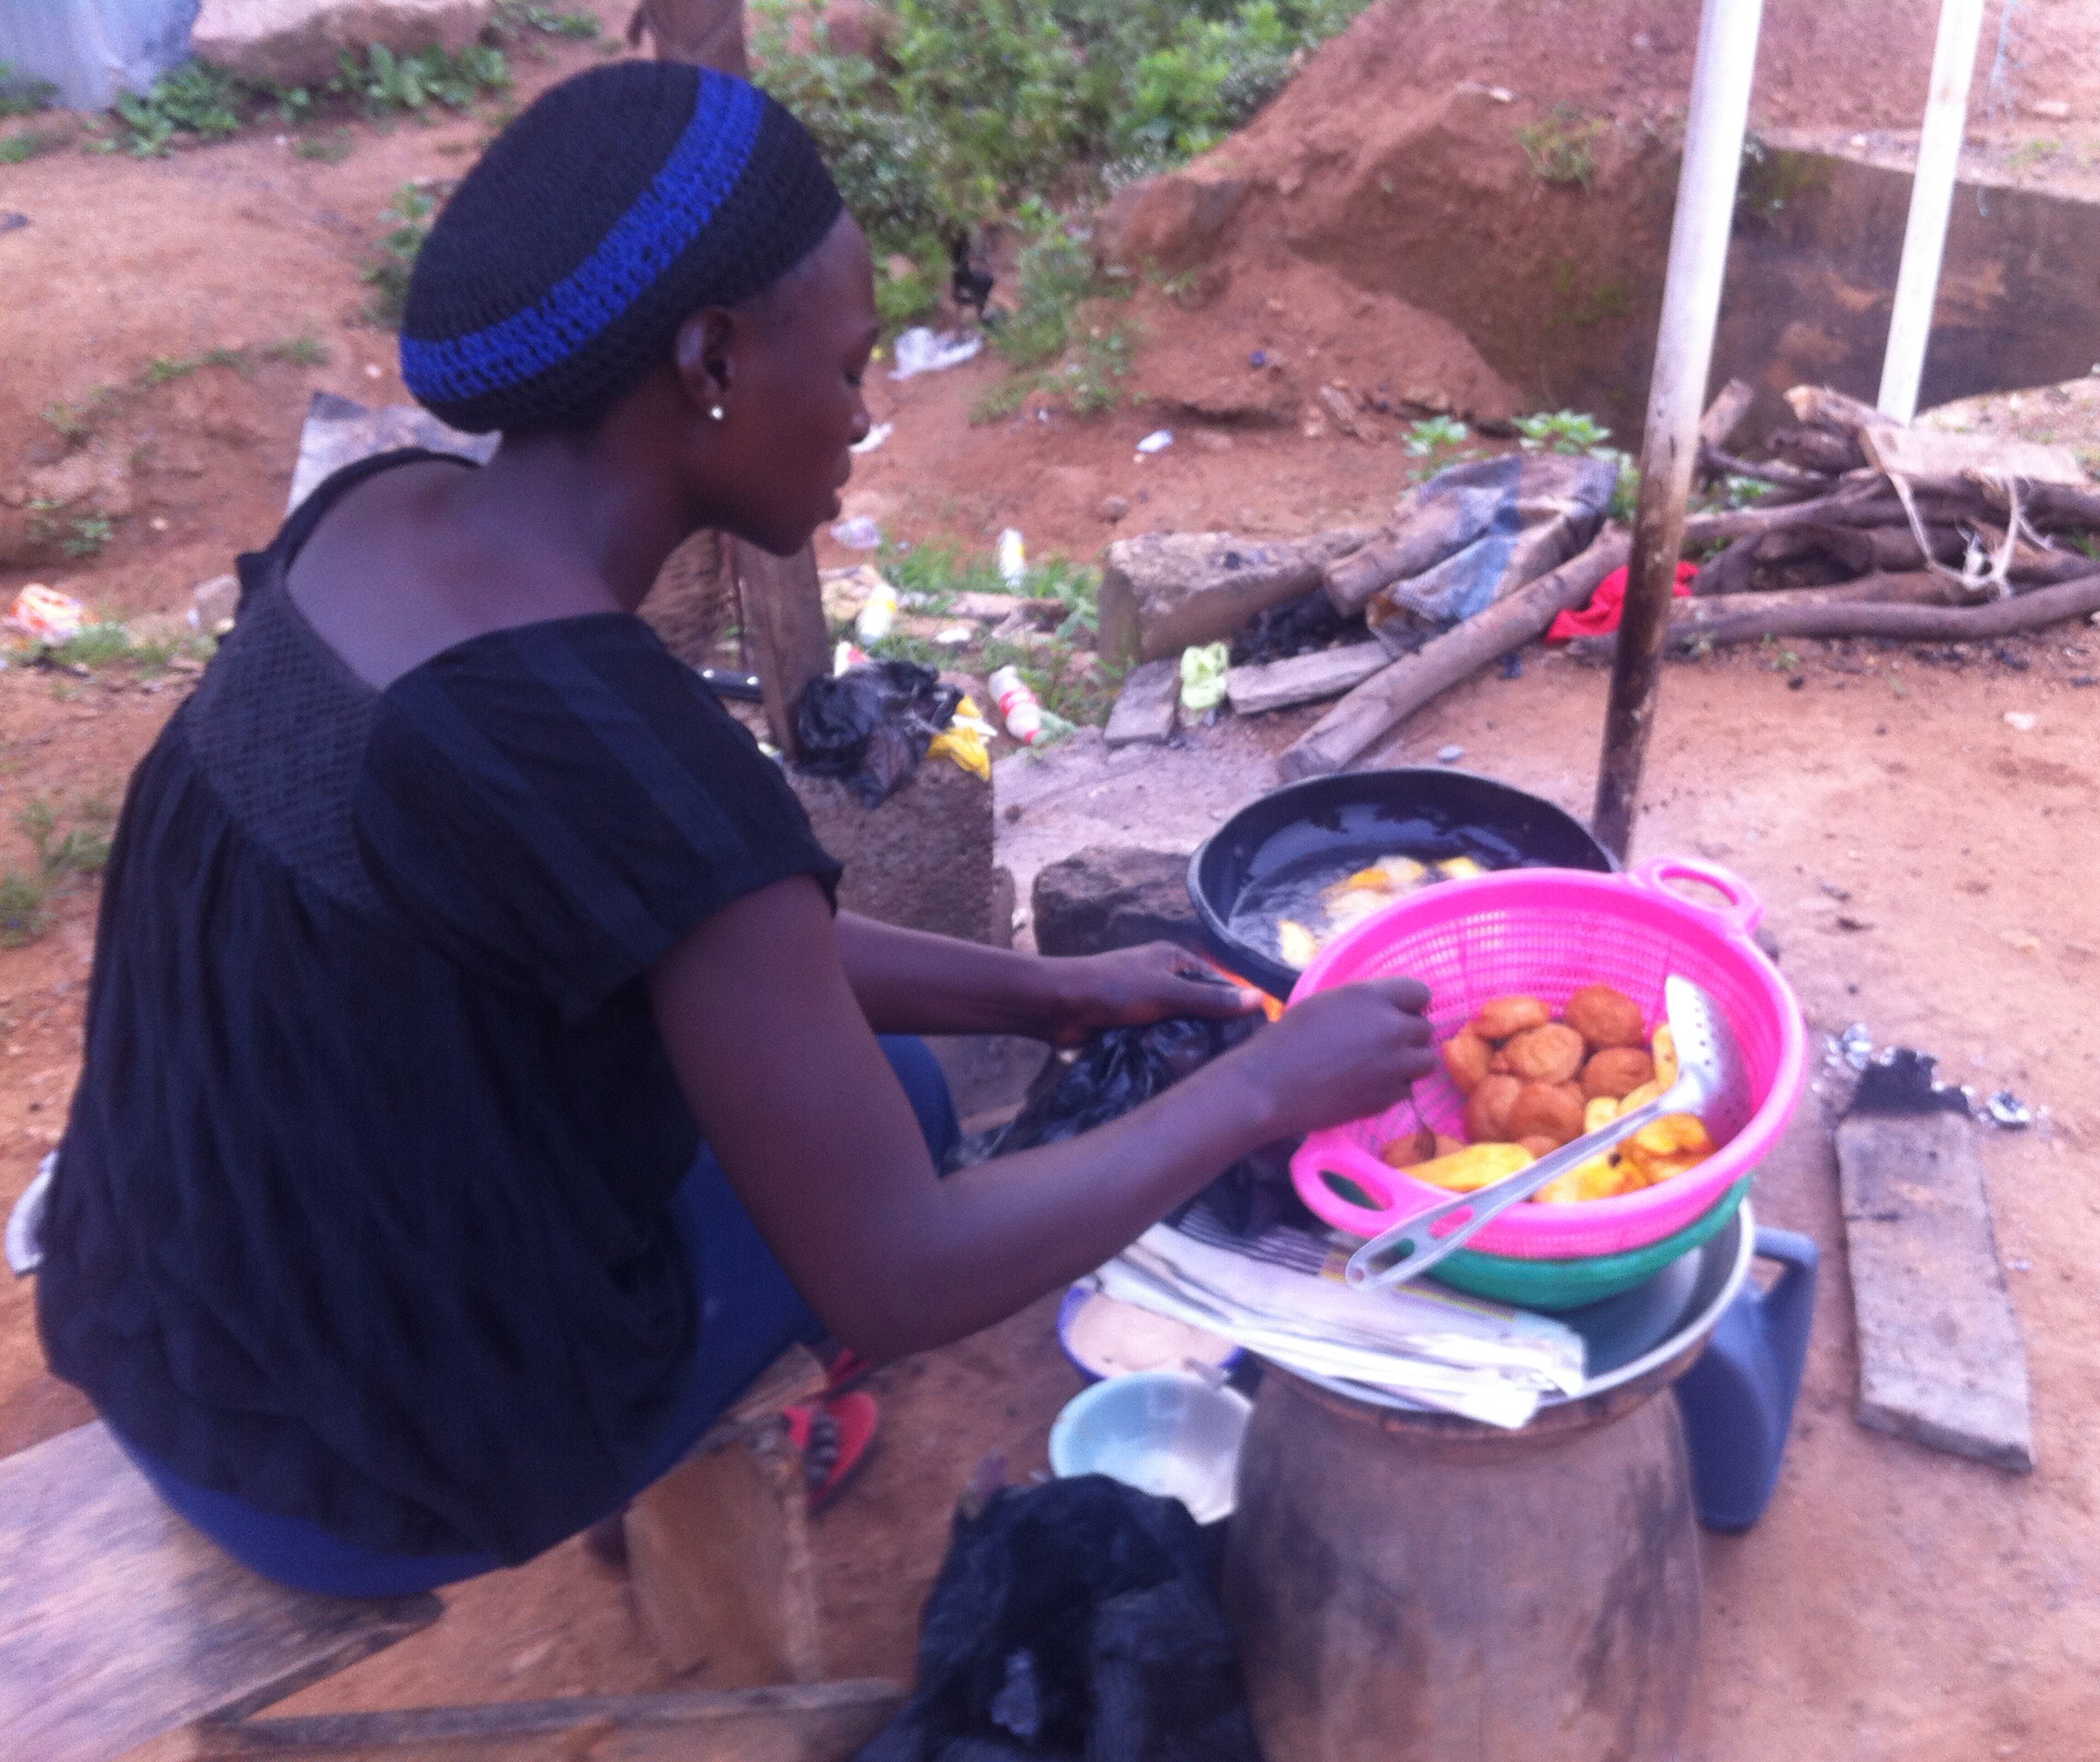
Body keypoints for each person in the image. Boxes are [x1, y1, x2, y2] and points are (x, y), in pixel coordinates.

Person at [34, 61, 1434, 1599]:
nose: (863, 413)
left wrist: (1054, 990)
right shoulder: (635, 755)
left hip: (160, 1316)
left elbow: (694, 925)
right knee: (896, 1129)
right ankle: (666, 1462)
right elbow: (902, 1275)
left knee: (873, 1079)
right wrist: (1262, 1093)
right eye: (845, 366)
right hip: (359, 1465)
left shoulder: (372, 525)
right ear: (708, 358)